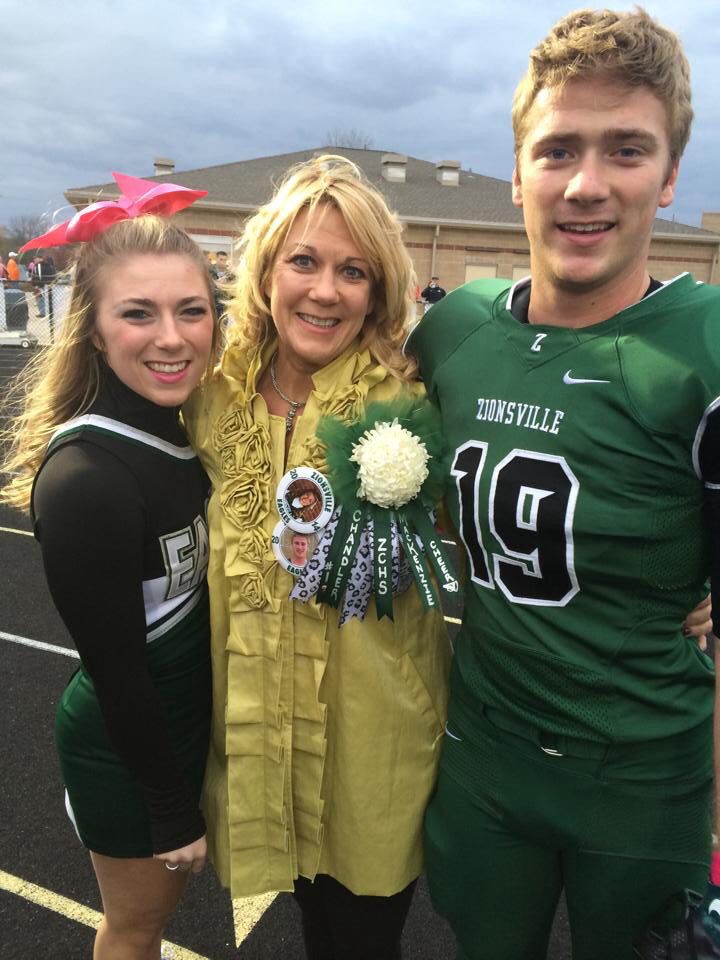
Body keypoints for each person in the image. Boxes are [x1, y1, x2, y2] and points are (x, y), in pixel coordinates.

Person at [407, 9, 720, 960]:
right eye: (557, 150)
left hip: (643, 776)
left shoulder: (701, 347)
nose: (586, 184)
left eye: (626, 149)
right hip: (484, 752)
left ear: (668, 178)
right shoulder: (453, 329)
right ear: (516, 173)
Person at [183, 154, 451, 960]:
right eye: (304, 261)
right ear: (266, 270)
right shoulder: (210, 394)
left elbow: (499, 517)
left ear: (378, 290)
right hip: (259, 734)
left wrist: (677, 591)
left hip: (370, 750)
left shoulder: (409, 402)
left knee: (360, 945)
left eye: (353, 271)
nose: (325, 290)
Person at [1, 190, 219, 960]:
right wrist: (169, 808)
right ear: (92, 329)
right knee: (136, 928)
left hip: (180, 721)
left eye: (191, 311)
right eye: (138, 314)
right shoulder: (87, 476)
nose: (172, 338)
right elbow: (118, 669)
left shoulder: (179, 421)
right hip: (131, 748)